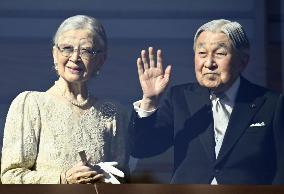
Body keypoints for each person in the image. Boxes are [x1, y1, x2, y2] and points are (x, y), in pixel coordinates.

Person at [130, 19, 284, 184]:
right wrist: (149, 100)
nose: (209, 63)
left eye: (219, 54)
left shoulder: (271, 103)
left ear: (243, 61)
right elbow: (142, 149)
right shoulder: (179, 98)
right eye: (202, 53)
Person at [1, 15, 129, 184]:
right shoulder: (31, 104)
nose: (75, 57)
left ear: (100, 60)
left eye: (86, 50)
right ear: (55, 53)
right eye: (67, 48)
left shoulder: (113, 112)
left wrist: (104, 178)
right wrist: (63, 179)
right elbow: (10, 176)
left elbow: (123, 179)